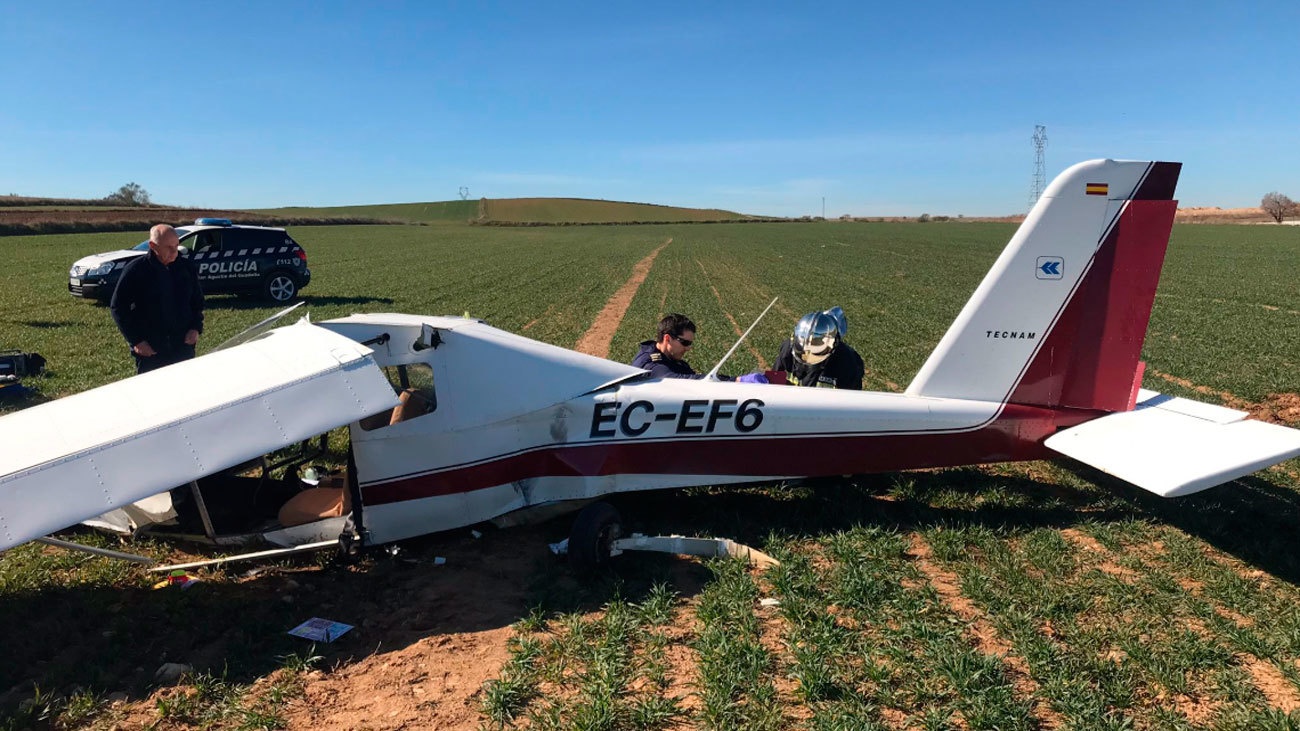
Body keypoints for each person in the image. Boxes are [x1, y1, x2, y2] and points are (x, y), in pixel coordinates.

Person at [111, 224, 205, 374]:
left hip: (182, 346)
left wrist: (195, 328)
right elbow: (118, 308)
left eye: (176, 245)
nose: (175, 251)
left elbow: (197, 301)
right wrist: (137, 341)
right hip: (150, 350)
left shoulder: (187, 268)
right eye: (168, 247)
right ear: (153, 245)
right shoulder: (136, 270)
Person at [772, 306, 864, 390]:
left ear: (833, 345)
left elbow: (849, 402)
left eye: (816, 342)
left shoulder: (847, 363)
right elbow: (774, 379)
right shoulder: (788, 350)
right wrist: (765, 382)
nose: (807, 354)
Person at [631, 313, 739, 380]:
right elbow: (676, 380)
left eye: (690, 344)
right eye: (685, 343)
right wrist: (734, 380)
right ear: (667, 339)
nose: (688, 348)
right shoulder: (650, 363)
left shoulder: (672, 359)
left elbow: (693, 378)